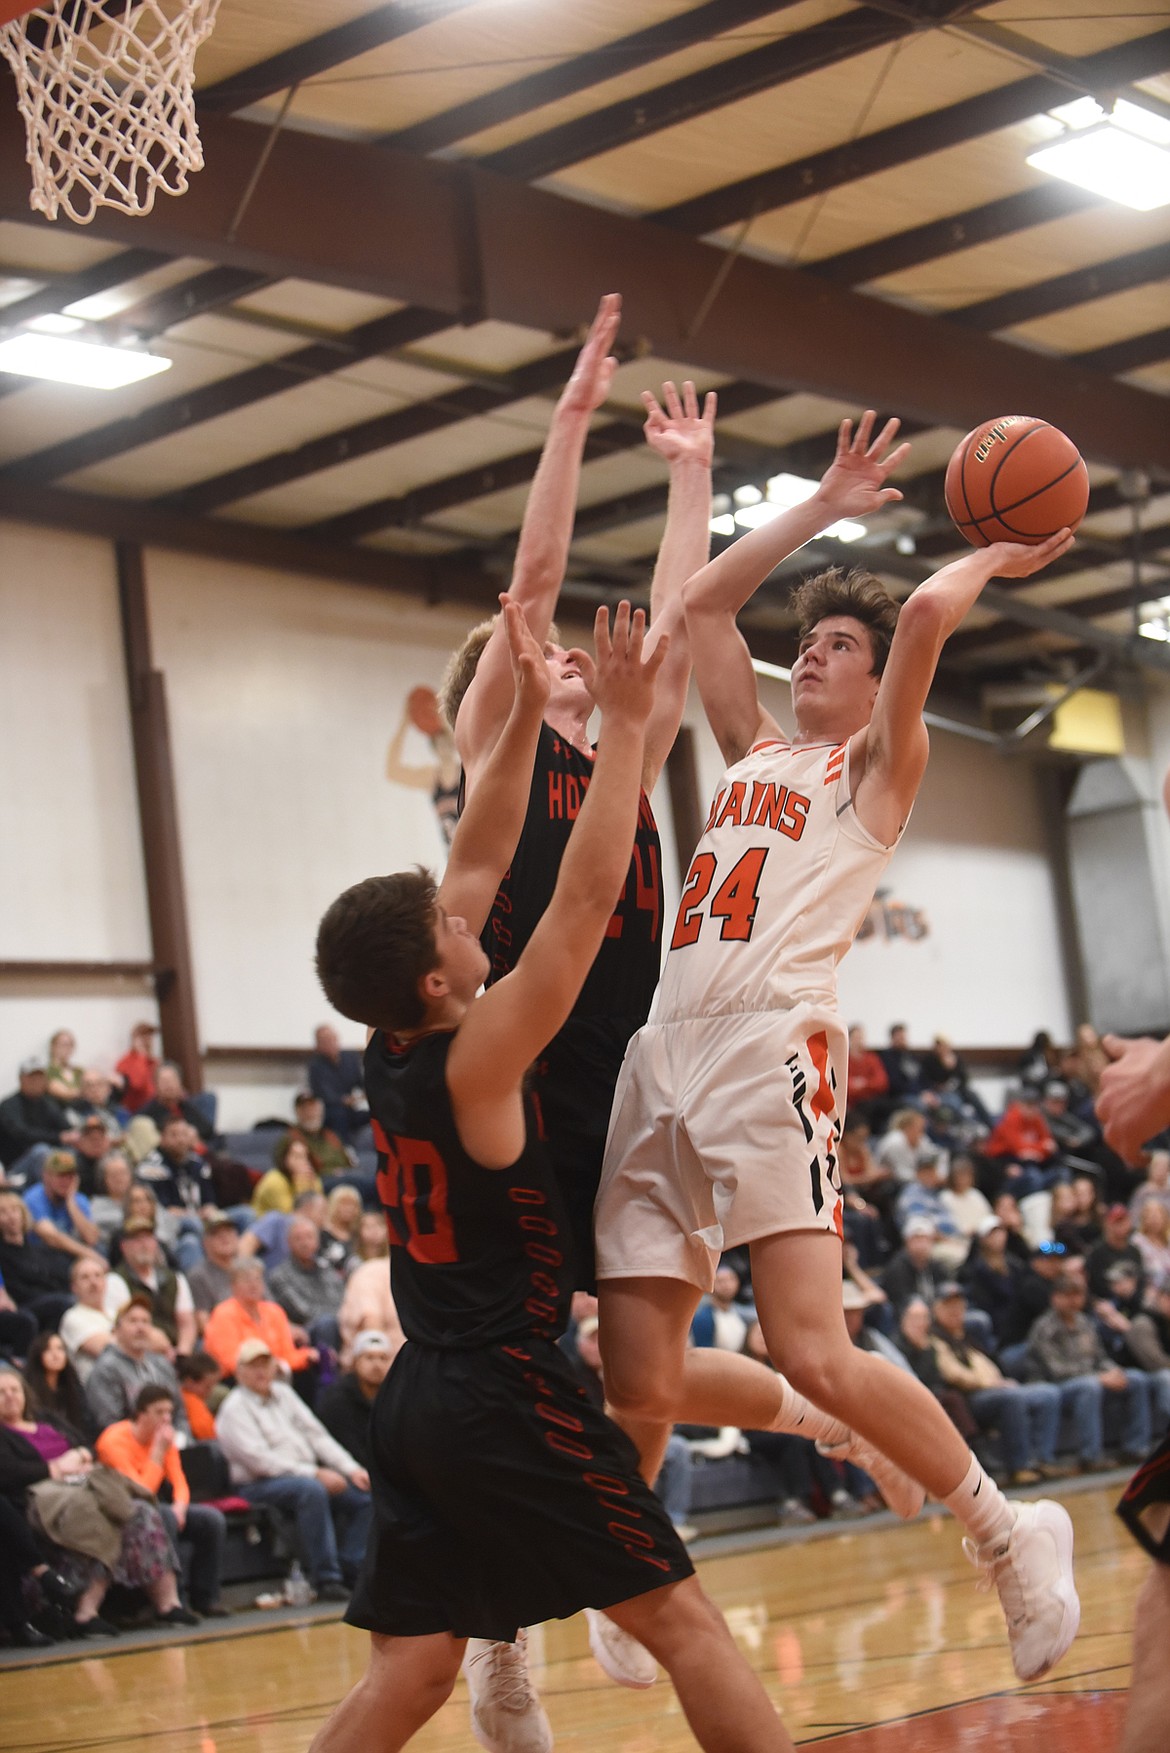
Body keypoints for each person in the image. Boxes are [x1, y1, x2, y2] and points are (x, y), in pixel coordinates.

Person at [592, 408, 1081, 1684]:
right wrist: (817, 502)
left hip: (772, 1048)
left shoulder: (876, 771)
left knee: (810, 1341)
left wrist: (992, 556)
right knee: (636, 1374)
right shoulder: (754, 746)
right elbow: (702, 609)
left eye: (835, 646)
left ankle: (1004, 1526)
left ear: (871, 685)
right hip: (663, 1049)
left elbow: (920, 620)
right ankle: (638, 1561)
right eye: (804, 642)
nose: (811, 655)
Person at [310, 594, 803, 1753]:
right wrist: (625, 728)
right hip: (498, 1390)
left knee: (412, 1672)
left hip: (419, 1398)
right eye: (451, 925)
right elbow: (580, 907)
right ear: (436, 977)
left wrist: (529, 706)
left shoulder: (399, 1041)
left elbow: (483, 842)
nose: (467, 909)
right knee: (685, 1624)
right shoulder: (482, 1054)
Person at [0, 1364, 192, 1635]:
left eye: (14, 1390)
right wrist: (55, 1467)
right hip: (44, 1495)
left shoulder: (47, 1420)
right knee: (98, 1512)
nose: (10, 1396)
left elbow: (87, 1445)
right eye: (2, 1392)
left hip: (84, 1483)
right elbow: (8, 1473)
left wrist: (78, 1457)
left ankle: (168, 1602)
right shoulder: (3, 1435)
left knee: (140, 1511)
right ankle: (86, 1610)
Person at [215, 1338, 371, 1600]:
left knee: (364, 1493)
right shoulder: (233, 1409)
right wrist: (313, 1473)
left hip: (302, 1474)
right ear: (239, 1372)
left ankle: (353, 1565)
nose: (261, 1371)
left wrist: (352, 1468)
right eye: (253, 1366)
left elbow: (317, 1436)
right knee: (311, 1491)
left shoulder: (285, 1395)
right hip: (257, 1485)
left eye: (265, 1364)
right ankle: (326, 1578)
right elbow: (259, 1461)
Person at [95, 1383, 227, 1618]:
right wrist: (156, 1452)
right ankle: (174, 1602)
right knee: (162, 1516)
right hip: (121, 1511)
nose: (166, 1419)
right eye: (159, 1412)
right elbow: (139, 1491)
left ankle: (206, 1598)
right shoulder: (114, 1441)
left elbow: (179, 1480)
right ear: (141, 1413)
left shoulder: (164, 1438)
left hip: (153, 1506)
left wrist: (181, 1506)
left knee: (211, 1520)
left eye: (169, 1412)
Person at [929, 1285, 1063, 1487]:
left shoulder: (967, 1336)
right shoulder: (935, 1340)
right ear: (936, 1311)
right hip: (970, 1398)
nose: (955, 1311)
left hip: (995, 1389)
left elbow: (990, 1365)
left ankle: (1042, 1459)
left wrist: (1001, 1381)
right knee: (1012, 1398)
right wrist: (992, 1383)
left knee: (1048, 1394)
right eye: (949, 1307)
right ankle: (1019, 1467)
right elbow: (953, 1374)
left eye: (958, 1306)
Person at [1026, 1274, 1151, 1468]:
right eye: (1067, 1296)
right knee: (1089, 1387)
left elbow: (1100, 1357)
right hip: (1056, 1385)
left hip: (1092, 1378)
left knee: (1135, 1379)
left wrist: (1114, 1371)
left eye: (1077, 1295)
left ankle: (1136, 1447)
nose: (1073, 1301)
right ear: (1055, 1298)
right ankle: (1090, 1456)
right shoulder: (1044, 1327)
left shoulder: (1085, 1322)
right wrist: (1099, 1377)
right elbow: (1056, 1370)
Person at [85, 1297, 189, 1439]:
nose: (140, 1328)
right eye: (133, 1321)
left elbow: (180, 1413)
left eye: (145, 1321)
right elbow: (110, 1424)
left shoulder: (162, 1364)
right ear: (116, 1330)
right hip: (129, 1447)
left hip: (169, 1442)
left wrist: (182, 1438)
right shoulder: (106, 1369)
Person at [202, 1258, 318, 1382]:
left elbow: (287, 1354)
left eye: (257, 1279)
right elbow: (229, 1361)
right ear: (233, 1286)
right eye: (247, 1280)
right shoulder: (223, 1314)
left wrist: (308, 1355)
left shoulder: (275, 1311)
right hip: (237, 1379)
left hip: (277, 1373)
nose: (253, 1284)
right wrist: (268, 1368)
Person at [108, 1215, 197, 1354]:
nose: (144, 1244)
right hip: (140, 1352)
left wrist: (182, 1353)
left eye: (148, 1238)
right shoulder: (115, 1280)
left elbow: (187, 1324)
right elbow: (121, 1327)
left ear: (155, 1243)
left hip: (176, 1353)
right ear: (123, 1246)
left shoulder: (175, 1278)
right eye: (137, 1240)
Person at [317, 1329, 400, 1471]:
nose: (377, 1365)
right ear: (355, 1362)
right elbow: (345, 1447)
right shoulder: (336, 1399)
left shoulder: (396, 1396)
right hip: (348, 1471)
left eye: (383, 1358)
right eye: (369, 1357)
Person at [0, 1057, 75, 1179]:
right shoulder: (8, 1105)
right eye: (32, 1077)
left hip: (49, 1156)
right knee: (41, 1151)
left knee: (72, 1151)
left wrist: (74, 1136)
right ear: (21, 1079)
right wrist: (58, 1137)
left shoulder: (48, 1103)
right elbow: (22, 1134)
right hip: (16, 1166)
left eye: (40, 1078)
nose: (37, 1082)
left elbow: (66, 1127)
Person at [23, 1151, 102, 1263]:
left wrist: (71, 1202)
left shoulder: (78, 1199)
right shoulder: (33, 1197)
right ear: (46, 1176)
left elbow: (91, 1238)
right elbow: (51, 1237)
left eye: (70, 1176)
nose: (66, 1181)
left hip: (70, 1256)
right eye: (61, 1176)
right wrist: (88, 1254)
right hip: (41, 1257)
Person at [25, 1329, 98, 1448]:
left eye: (60, 1349)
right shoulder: (30, 1390)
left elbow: (87, 1422)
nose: (56, 1354)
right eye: (48, 1349)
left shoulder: (73, 1386)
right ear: (38, 1355)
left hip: (79, 1446)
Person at [60, 1254, 118, 1383]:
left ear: (105, 1282)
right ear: (74, 1287)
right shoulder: (72, 1317)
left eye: (98, 1275)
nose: (93, 1282)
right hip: (98, 1389)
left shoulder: (116, 1313)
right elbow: (107, 1350)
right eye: (85, 1277)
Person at [308, 1026, 368, 1144]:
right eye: (324, 1041)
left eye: (331, 1039)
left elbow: (360, 1082)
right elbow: (323, 1094)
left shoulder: (350, 1058)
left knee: (375, 1116)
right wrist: (344, 1100)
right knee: (339, 1114)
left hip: (351, 1110)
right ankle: (344, 1150)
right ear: (318, 1045)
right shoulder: (315, 1066)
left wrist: (370, 1092)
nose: (329, 1043)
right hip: (330, 1112)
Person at [186, 1212, 241, 1330]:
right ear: (205, 1243)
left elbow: (267, 1306)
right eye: (216, 1234)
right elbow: (203, 1322)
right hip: (224, 1334)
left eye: (229, 1232)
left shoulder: (248, 1268)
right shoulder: (199, 1276)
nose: (224, 1237)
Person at [252, 1135, 325, 1215]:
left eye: (306, 1157)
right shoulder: (274, 1181)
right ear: (284, 1159)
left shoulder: (312, 1177)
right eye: (297, 1157)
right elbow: (291, 1216)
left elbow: (321, 1211)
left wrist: (311, 1184)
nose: (304, 1161)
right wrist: (301, 1185)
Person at [115, 1021, 159, 1115]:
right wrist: (141, 1056)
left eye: (150, 1036)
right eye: (143, 1036)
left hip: (157, 1108)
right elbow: (137, 1084)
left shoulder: (154, 1062)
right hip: (137, 1112)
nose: (148, 1040)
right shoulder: (125, 1062)